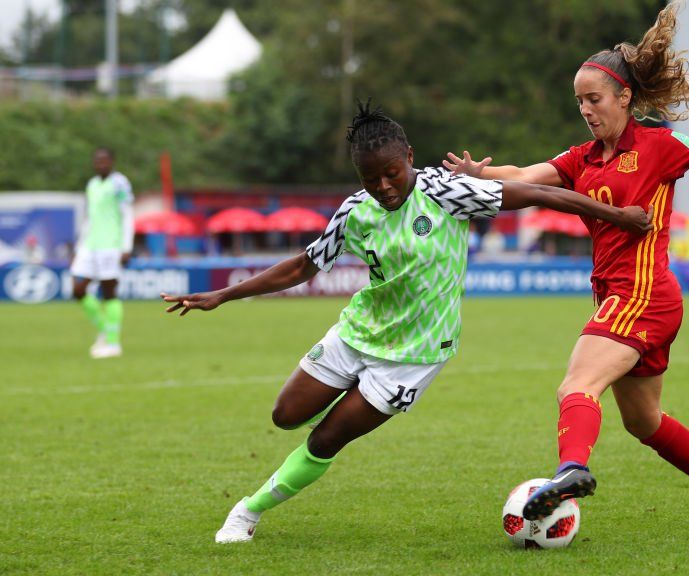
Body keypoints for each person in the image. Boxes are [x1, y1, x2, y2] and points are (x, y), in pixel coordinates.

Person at [160, 102, 652, 544]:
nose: (384, 187)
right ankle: (333, 406)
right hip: (356, 334)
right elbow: (302, 266)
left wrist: (618, 217)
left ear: (409, 156)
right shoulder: (355, 211)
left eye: (392, 173)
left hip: (413, 356)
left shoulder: (449, 193)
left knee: (326, 439)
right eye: (369, 178)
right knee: (284, 415)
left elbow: (543, 196)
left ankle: (247, 511)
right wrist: (221, 295)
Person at [444, 1, 689, 526]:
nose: (586, 110)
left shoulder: (658, 145)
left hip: (643, 294)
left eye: (594, 99)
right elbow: (524, 174)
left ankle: (571, 470)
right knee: (644, 421)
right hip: (624, 296)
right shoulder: (580, 158)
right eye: (579, 102)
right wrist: (482, 174)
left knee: (576, 386)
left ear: (624, 96)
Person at [70, 147, 134, 359]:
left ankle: (113, 344)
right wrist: (80, 246)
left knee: (109, 293)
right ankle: (105, 330)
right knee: (77, 290)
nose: (101, 164)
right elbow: (90, 218)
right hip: (90, 246)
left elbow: (127, 215)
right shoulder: (92, 184)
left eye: (105, 160)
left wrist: (126, 247)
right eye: (98, 161)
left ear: (112, 161)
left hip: (110, 246)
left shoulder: (119, 183)